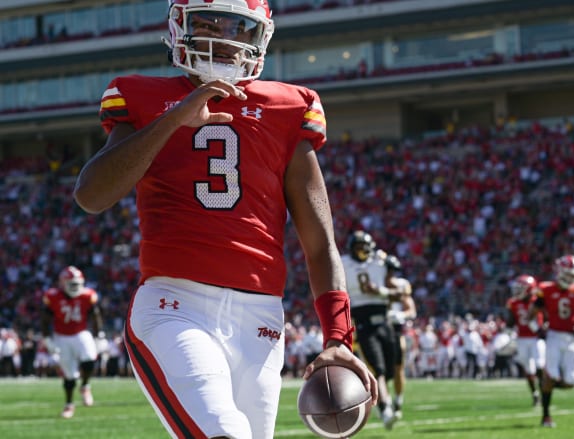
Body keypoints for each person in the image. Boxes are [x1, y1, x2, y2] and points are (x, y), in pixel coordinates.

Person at [73, 1, 377, 437]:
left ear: (260, 35)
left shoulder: (289, 107)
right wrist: (175, 118)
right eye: (207, 23)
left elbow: (319, 243)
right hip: (176, 308)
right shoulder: (141, 96)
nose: (222, 36)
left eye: (237, 26)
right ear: (181, 28)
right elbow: (92, 195)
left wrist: (338, 338)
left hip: (261, 321)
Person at [342, 230, 399, 430]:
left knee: (390, 370)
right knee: (379, 369)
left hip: (384, 322)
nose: (361, 251)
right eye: (357, 248)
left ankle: (386, 402)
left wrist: (380, 291)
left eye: (363, 247)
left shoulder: (382, 263)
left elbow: (401, 293)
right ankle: (386, 408)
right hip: (363, 322)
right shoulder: (343, 265)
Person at [527, 255, 574, 428]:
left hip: (571, 339)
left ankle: (545, 387)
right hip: (553, 337)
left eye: (573, 275)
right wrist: (537, 330)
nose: (570, 279)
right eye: (568, 275)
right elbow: (530, 316)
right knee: (552, 375)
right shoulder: (545, 289)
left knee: (571, 382)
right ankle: (546, 416)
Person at [41, 266, 103, 418]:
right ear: (63, 283)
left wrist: (99, 334)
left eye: (77, 284)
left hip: (80, 332)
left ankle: (85, 386)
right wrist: (47, 339)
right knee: (69, 376)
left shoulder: (87, 295)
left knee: (89, 359)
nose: (75, 287)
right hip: (61, 336)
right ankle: (69, 404)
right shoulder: (53, 296)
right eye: (72, 284)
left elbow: (95, 315)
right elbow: (45, 320)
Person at [505, 274, 545, 406]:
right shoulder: (513, 303)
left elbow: (547, 315)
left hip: (536, 338)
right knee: (528, 369)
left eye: (521, 288)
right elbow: (511, 322)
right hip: (522, 338)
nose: (517, 291)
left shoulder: (537, 300)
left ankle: (544, 392)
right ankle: (535, 394)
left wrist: (544, 327)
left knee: (539, 366)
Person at [385, 254, 416, 420]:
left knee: (398, 367)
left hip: (395, 329)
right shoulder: (374, 282)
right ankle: (384, 401)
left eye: (392, 270)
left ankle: (397, 400)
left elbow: (411, 309)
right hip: (377, 327)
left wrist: (401, 315)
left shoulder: (402, 285)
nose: (390, 274)